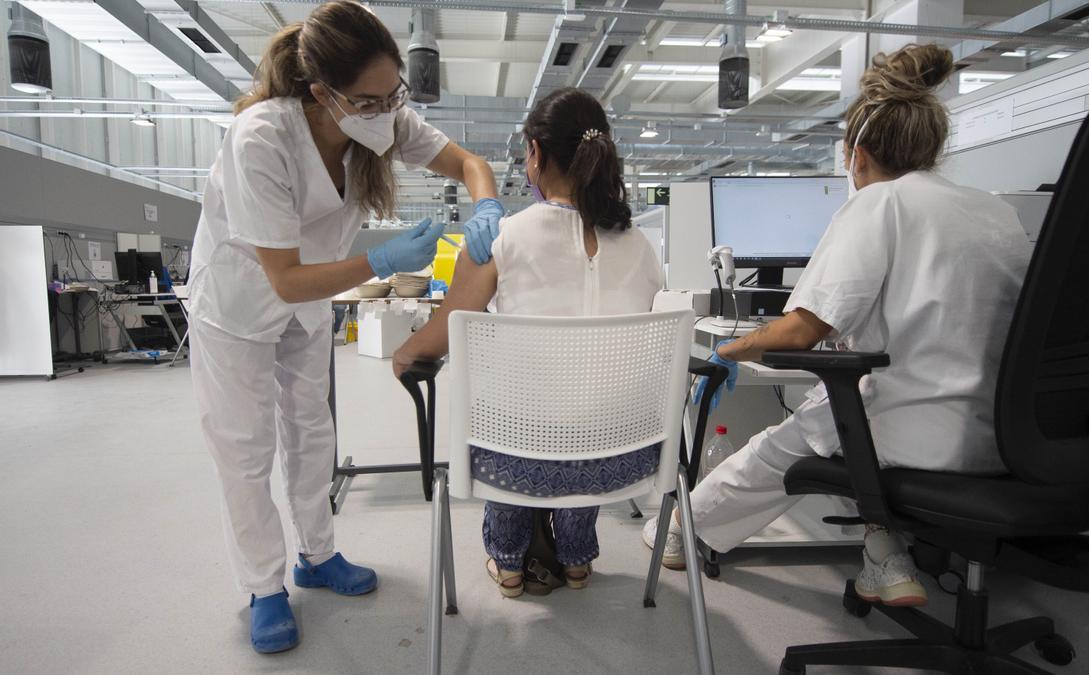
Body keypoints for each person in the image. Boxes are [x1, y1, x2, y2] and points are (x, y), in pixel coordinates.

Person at [642, 43, 1033, 608]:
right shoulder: (994, 211)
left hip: (917, 430)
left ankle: (674, 532)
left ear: (857, 153)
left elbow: (801, 331)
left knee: (783, 444)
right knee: (833, 421)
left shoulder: (880, 204)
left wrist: (730, 349)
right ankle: (882, 550)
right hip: (1008, 436)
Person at [187, 1, 503, 654]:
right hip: (239, 302)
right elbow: (283, 277)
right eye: (369, 100)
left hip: (308, 300)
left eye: (395, 95)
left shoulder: (381, 117)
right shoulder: (262, 138)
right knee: (245, 452)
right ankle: (263, 586)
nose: (387, 112)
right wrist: (383, 259)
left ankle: (317, 554)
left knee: (310, 428)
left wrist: (488, 203)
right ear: (321, 92)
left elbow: (470, 163)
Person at [391, 87, 663, 598]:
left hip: (516, 459)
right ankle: (577, 560)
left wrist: (406, 354)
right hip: (623, 460)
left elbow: (443, 336)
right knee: (589, 410)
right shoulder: (642, 247)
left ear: (535, 153)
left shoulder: (501, 239)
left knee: (514, 416)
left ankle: (510, 562)